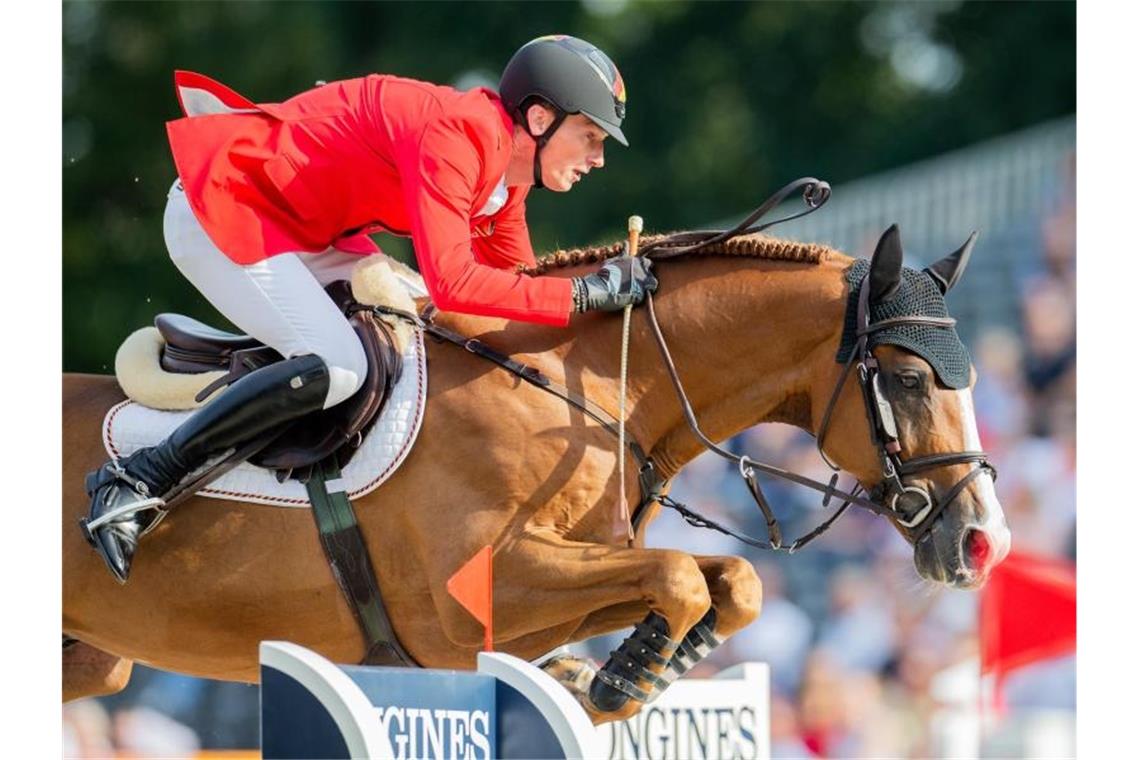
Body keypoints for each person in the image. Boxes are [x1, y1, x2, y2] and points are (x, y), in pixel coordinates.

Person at [82, 34, 658, 582]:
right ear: (539, 119)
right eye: (590, 136)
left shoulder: (507, 183)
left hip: (305, 232)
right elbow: (457, 283)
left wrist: (605, 305)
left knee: (412, 332)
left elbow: (520, 289)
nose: (598, 158)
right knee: (340, 367)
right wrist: (586, 292)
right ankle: (138, 477)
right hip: (225, 207)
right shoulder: (462, 134)